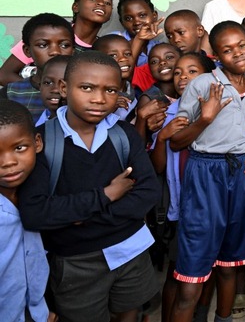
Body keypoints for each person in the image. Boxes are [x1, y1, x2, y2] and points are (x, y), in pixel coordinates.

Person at [19, 51, 161, 321]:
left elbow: (148, 192)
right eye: (86, 88)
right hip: (75, 261)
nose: (98, 99)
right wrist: (107, 195)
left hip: (131, 249)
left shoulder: (123, 134)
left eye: (109, 90)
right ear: (64, 88)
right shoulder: (43, 142)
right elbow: (36, 212)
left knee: (129, 311)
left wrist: (80, 215)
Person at [169, 21, 245, 322]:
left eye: (242, 45)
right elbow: (176, 143)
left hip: (242, 177)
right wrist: (204, 119)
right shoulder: (202, 85)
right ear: (216, 56)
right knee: (190, 279)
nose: (238, 53)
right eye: (228, 50)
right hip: (205, 175)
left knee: (229, 267)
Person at [150, 52, 216, 322]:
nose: (183, 77)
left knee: (210, 267)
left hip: (212, 205)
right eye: (178, 72)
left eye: (191, 71)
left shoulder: (220, 110)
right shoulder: (167, 113)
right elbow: (157, 167)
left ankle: (200, 314)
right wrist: (163, 137)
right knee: (178, 272)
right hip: (183, 208)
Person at [0, 0, 112, 86]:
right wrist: (39, 91)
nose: (101, 3)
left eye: (107, 2)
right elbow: (4, 75)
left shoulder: (102, 48)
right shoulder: (44, 32)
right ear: (75, 7)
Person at [0, 100, 50, 322]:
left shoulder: (38, 193)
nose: (8, 162)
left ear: (37, 143)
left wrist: (40, 308)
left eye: (19, 148)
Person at [0, 13, 75, 122]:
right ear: (27, 51)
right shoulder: (11, 93)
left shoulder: (84, 89)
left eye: (64, 45)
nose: (55, 52)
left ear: (73, 50)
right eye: (42, 45)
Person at [35, 55, 71, 126]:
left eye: (64, 85)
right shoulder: (36, 126)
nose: (55, 90)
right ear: (40, 86)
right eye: (48, 83)